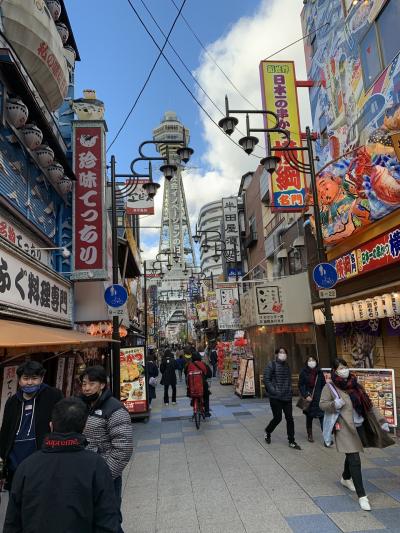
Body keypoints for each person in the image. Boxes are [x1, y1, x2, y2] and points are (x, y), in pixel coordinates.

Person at [4, 397, 119, 533]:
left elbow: (12, 523)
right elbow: (108, 520)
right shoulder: (96, 465)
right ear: (84, 427)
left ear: (51, 425)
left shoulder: (26, 466)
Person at [320, 358, 394, 511]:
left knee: (351, 455)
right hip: (344, 427)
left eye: (345, 366)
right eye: (340, 368)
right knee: (355, 458)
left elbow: (369, 405)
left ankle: (346, 478)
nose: (343, 370)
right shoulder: (330, 387)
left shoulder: (356, 384)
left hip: (359, 425)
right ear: (335, 371)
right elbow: (322, 404)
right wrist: (334, 404)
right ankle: (362, 496)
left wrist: (382, 420)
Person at [80, 366, 133, 533]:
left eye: (91, 383)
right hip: (85, 473)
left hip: (106, 474)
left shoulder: (114, 408)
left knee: (109, 518)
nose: (86, 388)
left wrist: (105, 474)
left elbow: (123, 448)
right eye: (83, 384)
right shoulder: (82, 405)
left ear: (102, 385)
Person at [0, 360, 63, 490]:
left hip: (43, 461)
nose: (29, 382)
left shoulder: (53, 395)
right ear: (19, 380)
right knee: (16, 500)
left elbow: (62, 423)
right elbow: (5, 430)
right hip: (15, 463)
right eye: (26, 378)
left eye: (34, 378)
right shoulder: (12, 401)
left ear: (42, 379)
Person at [264, 347, 301, 450]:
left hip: (287, 396)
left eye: (284, 352)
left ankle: (292, 440)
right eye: (280, 352)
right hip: (275, 397)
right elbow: (266, 380)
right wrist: (274, 391)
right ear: (276, 354)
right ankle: (268, 431)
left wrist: (290, 390)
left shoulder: (287, 366)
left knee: (290, 418)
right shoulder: (271, 365)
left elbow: (288, 380)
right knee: (278, 418)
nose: (283, 354)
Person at [298, 356, 326, 442]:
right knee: (309, 417)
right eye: (309, 360)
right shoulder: (303, 372)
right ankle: (309, 434)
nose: (311, 362)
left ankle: (326, 437)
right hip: (309, 398)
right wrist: (306, 395)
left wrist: (323, 396)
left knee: (322, 417)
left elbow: (323, 384)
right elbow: (301, 385)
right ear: (306, 362)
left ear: (316, 361)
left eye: (313, 360)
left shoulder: (319, 372)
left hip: (319, 398)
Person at [185, 352, 212, 417]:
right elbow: (210, 374)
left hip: (192, 385)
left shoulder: (189, 365)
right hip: (202, 385)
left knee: (192, 393)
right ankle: (207, 411)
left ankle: (193, 403)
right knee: (206, 396)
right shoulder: (203, 364)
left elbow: (186, 374)